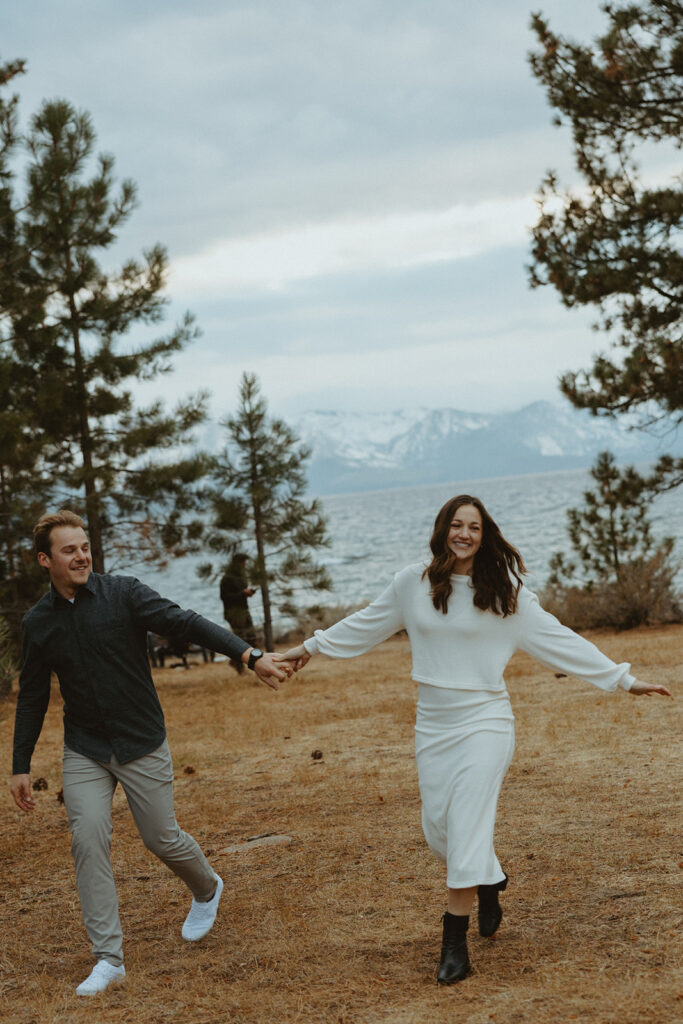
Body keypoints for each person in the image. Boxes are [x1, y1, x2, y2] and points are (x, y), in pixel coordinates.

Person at [277, 495, 671, 985]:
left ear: (486, 537)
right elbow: (365, 623)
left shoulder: (507, 594)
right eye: (457, 525)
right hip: (433, 726)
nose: (464, 534)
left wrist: (622, 679)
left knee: (464, 825)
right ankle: (490, 879)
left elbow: (560, 639)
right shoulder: (411, 583)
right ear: (443, 529)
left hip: (485, 722)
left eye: (475, 528)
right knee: (438, 832)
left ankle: (454, 946)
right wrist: (307, 649)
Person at [10, 510, 291, 996]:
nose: (81, 555)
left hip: (141, 741)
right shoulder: (39, 624)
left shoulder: (124, 593)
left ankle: (206, 888)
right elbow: (33, 695)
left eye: (84, 546)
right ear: (44, 560)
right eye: (68, 549)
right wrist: (19, 765)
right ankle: (109, 959)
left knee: (160, 838)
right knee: (88, 840)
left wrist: (249, 655)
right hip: (86, 750)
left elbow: (187, 621)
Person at [220, 553, 258, 672]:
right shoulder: (227, 579)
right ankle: (239, 668)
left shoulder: (241, 577)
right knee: (239, 641)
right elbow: (225, 597)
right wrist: (243, 593)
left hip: (244, 611)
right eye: (242, 563)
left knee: (252, 638)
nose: (244, 565)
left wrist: (248, 593)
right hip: (233, 613)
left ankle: (234, 661)